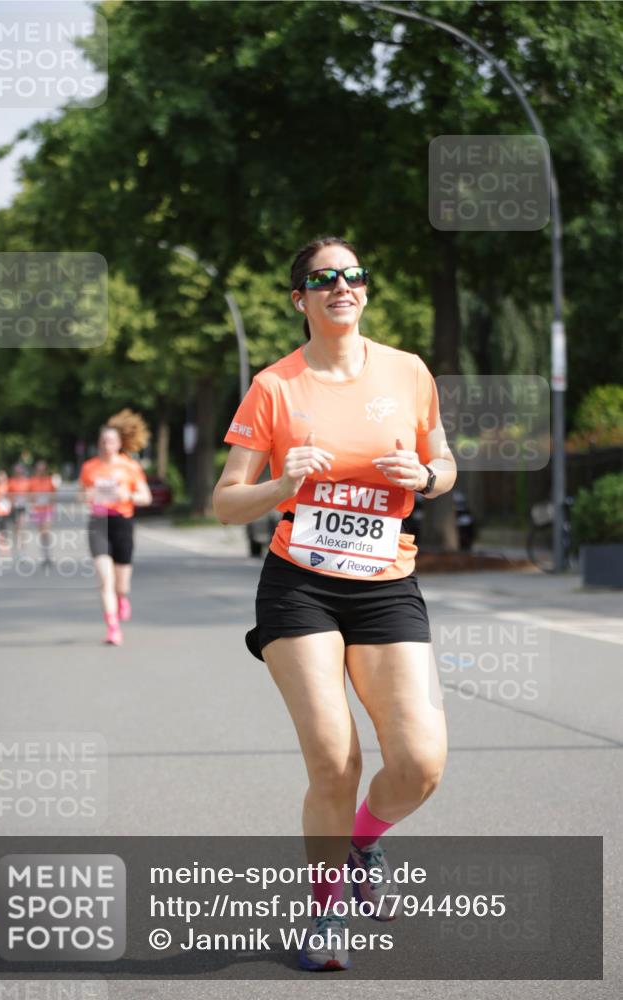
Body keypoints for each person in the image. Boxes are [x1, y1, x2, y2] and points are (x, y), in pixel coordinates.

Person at [213, 236, 457, 972]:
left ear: (364, 291)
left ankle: (360, 844)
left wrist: (426, 473)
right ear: (301, 300)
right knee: (333, 756)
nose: (341, 286)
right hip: (300, 584)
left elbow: (441, 464)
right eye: (323, 279)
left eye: (353, 275)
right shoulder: (274, 387)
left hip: (386, 582)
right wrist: (280, 485)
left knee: (418, 762)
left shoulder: (408, 372)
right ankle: (323, 915)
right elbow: (225, 503)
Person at [79, 410, 152, 645]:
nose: (106, 444)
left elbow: (146, 497)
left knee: (122, 585)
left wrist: (128, 494)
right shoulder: (89, 468)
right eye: (103, 440)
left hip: (122, 524)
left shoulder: (130, 467)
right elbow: (81, 496)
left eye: (111, 440)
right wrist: (87, 495)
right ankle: (112, 628)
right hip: (98, 523)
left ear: (119, 443)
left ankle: (122, 599)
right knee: (104, 580)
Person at [28, 460, 57, 566]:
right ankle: (44, 555)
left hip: (47, 509)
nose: (41, 471)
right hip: (37, 509)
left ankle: (48, 554)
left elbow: (54, 494)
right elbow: (29, 495)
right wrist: (34, 498)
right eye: (39, 469)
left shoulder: (49, 480)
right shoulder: (32, 481)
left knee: (46, 531)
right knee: (41, 533)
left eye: (43, 469)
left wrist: (50, 500)